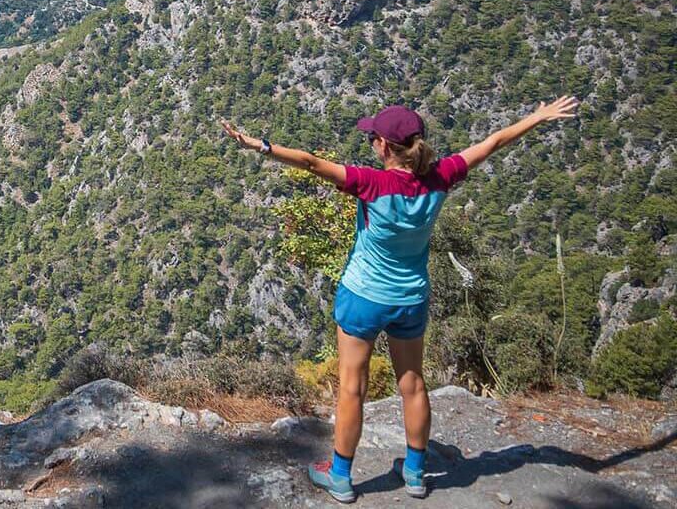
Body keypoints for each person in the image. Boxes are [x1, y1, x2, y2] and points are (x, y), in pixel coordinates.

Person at [220, 96, 579, 503]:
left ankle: (339, 476)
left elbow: (309, 163)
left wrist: (262, 146)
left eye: (373, 137)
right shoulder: (441, 177)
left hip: (363, 297)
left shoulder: (372, 183)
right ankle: (414, 473)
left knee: (351, 389)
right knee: (413, 386)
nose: (371, 141)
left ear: (385, 147)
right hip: (410, 298)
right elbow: (494, 143)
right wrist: (535, 115)